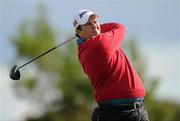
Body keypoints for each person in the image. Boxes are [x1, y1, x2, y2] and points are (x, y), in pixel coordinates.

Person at [73, 9, 150, 121]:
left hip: (134, 112)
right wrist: (99, 29)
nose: (94, 26)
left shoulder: (86, 48)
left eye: (95, 22)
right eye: (88, 24)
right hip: (116, 114)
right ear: (79, 31)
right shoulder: (99, 43)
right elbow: (119, 27)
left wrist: (94, 30)